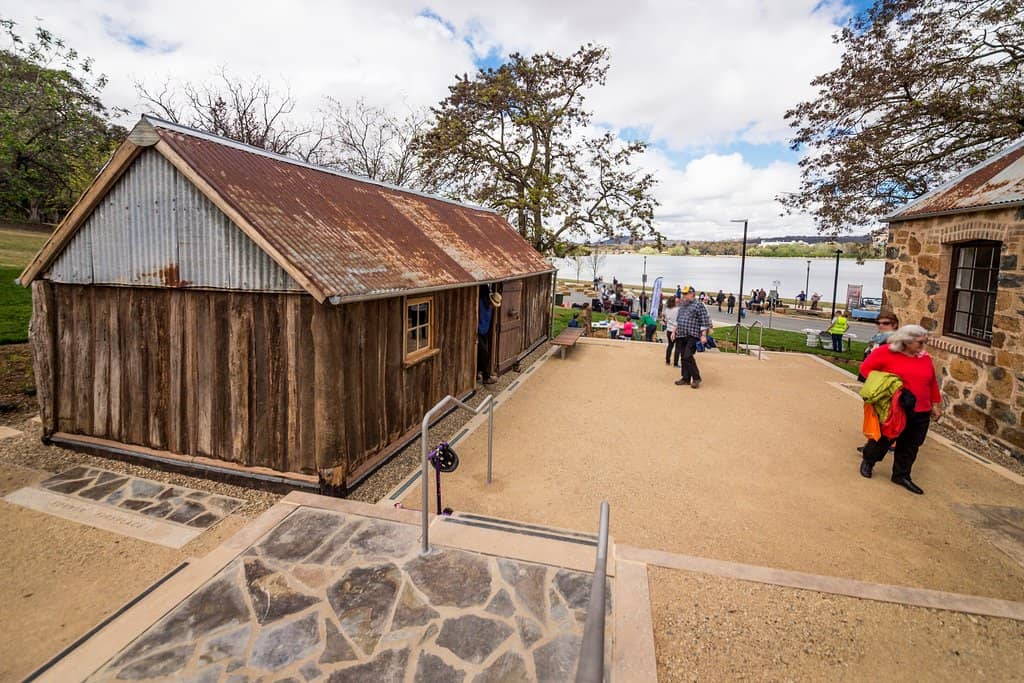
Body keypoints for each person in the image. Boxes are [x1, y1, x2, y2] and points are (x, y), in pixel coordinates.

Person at [858, 325, 942, 495]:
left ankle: (901, 475)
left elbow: (931, 382)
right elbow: (865, 370)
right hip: (896, 408)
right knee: (884, 439)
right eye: (920, 341)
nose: (923, 344)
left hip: (921, 410)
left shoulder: (924, 358)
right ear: (907, 340)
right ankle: (869, 460)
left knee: (911, 444)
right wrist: (888, 387)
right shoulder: (885, 353)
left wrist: (935, 404)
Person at [674, 286, 712, 389]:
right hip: (681, 334)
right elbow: (678, 319)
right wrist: (674, 331)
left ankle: (696, 378)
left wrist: (703, 335)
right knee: (683, 357)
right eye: (683, 294)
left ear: (692, 294)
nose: (684, 296)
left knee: (687, 355)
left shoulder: (699, 305)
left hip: (693, 335)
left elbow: (704, 321)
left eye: (686, 294)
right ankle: (685, 378)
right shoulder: (682, 305)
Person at [477, 286, 499, 385]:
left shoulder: (490, 307)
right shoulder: (481, 302)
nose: (493, 306)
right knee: (484, 354)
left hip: (485, 332)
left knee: (482, 354)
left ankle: (478, 373)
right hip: (478, 332)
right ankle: (486, 377)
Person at [662, 296, 681, 366]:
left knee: (670, 346)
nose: (678, 303)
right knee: (677, 347)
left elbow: (664, 317)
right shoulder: (678, 309)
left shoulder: (667, 309)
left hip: (669, 329)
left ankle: (667, 361)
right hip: (676, 329)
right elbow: (677, 321)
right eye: (677, 302)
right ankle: (675, 363)